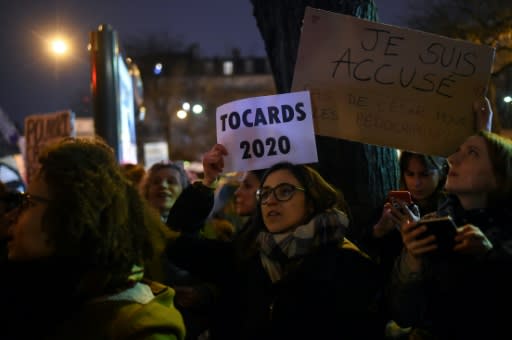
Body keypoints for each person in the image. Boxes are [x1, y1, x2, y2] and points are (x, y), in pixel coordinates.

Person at [0, 136, 185, 340]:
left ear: (70, 218)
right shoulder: (39, 300)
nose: (12, 216)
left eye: (28, 202)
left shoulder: (139, 329)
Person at [389, 130, 512, 339]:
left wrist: (491, 258)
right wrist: (412, 262)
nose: (453, 160)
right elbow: (403, 314)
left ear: (500, 177)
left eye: (472, 153)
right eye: (457, 152)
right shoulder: (433, 224)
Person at [239, 161, 384, 339]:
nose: (270, 201)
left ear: (311, 202)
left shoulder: (348, 265)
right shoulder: (251, 259)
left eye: (284, 191)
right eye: (265, 193)